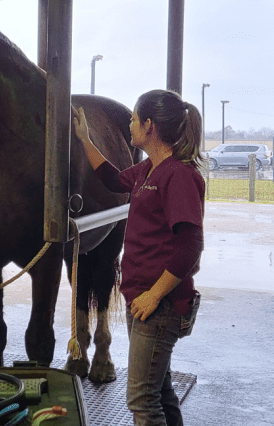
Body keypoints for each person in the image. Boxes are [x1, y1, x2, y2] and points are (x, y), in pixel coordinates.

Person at [73, 89, 205, 426]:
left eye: (133, 119)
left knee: (142, 401)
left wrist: (154, 295)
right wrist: (85, 139)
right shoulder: (148, 169)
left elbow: (190, 246)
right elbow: (113, 179)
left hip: (159, 304)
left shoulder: (179, 176)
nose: (129, 125)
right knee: (160, 392)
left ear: (149, 125)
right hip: (142, 298)